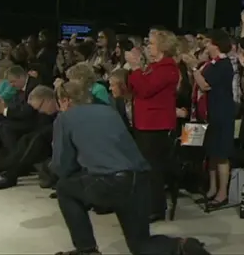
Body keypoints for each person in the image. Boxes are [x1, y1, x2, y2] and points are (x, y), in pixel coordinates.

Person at [50, 81, 210, 255]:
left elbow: (62, 164)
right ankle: (182, 246)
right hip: (139, 178)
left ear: (65, 100)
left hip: (107, 182)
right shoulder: (109, 111)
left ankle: (86, 249)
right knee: (141, 246)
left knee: (64, 188)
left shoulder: (65, 119)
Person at [127, 29, 179, 222]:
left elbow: (146, 89)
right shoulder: (153, 67)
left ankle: (156, 208)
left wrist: (135, 69)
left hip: (156, 125)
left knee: (153, 168)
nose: (148, 47)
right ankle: (147, 203)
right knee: (146, 166)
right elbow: (136, 87)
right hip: (144, 123)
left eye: (152, 44)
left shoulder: (168, 68)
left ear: (163, 47)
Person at [191, 29, 235, 208]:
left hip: (222, 113)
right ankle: (212, 189)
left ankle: (222, 193)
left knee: (221, 154)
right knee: (211, 152)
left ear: (216, 45)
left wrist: (194, 68)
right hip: (210, 113)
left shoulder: (224, 64)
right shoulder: (212, 63)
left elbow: (204, 85)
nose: (206, 46)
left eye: (209, 43)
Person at [0, 85, 57, 189]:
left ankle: (10, 174)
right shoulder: (46, 113)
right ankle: (0, 170)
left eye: (39, 107)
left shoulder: (62, 110)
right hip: (45, 138)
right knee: (26, 140)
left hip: (50, 140)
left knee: (36, 140)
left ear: (49, 100)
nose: (40, 111)